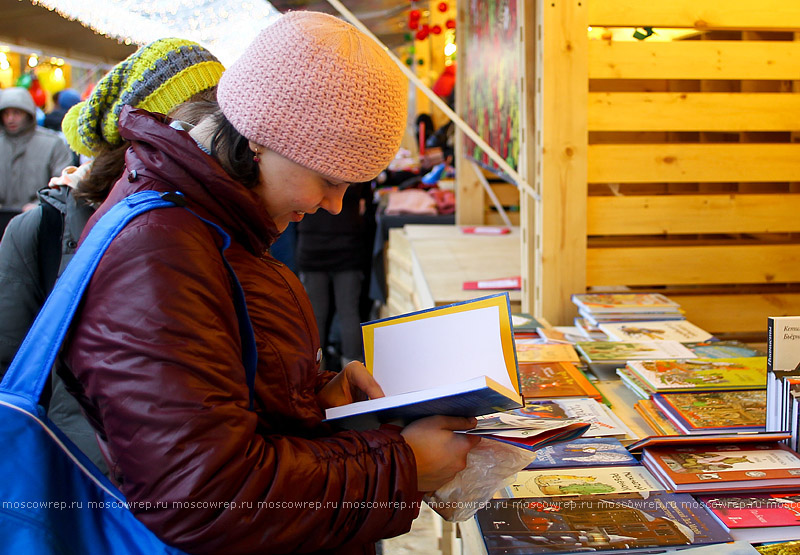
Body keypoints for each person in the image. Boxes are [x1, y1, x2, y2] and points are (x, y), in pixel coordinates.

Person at [58, 11, 479, 554]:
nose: (334, 205)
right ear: (259, 140)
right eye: (328, 180)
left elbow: (224, 397)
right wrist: (403, 465)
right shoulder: (159, 251)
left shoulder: (211, 222)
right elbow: (204, 498)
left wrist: (314, 397)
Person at [0, 38, 224, 473]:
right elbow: (8, 373)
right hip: (79, 485)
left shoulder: (225, 227)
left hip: (194, 490)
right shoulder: (42, 232)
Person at [296, 181, 373, 370]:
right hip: (348, 244)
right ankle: (353, 373)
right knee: (349, 310)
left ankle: (314, 373)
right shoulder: (359, 167)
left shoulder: (309, 162)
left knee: (315, 314)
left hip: (312, 244)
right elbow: (366, 204)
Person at [0, 86, 73, 210]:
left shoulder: (52, 144)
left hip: (41, 220)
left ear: (28, 114)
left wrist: (40, 204)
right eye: (6, 113)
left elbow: (63, 184)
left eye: (16, 113)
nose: (10, 119)